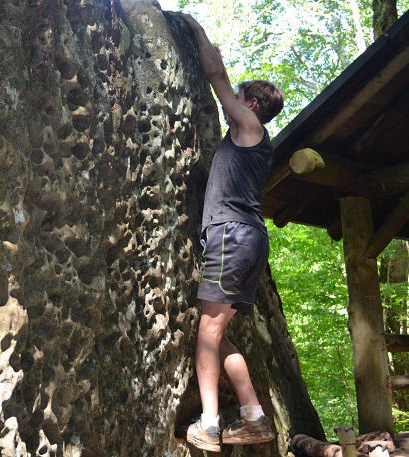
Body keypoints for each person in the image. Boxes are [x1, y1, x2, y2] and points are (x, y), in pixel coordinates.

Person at [179, 12, 285, 453]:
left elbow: (216, 76)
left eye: (241, 97)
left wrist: (197, 30)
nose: (233, 101)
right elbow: (222, 73)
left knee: (207, 330)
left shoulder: (249, 127)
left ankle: (209, 423)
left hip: (233, 236)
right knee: (220, 333)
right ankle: (254, 415)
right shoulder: (254, 141)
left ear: (253, 105)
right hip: (249, 240)